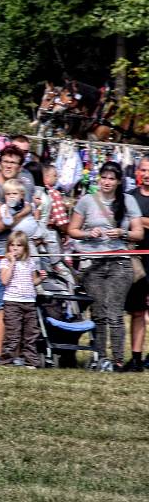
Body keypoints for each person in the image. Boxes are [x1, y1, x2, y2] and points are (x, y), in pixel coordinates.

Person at [68, 161, 144, 371]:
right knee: (99, 311)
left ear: (119, 181)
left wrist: (123, 233)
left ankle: (118, 360)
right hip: (92, 263)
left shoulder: (128, 201)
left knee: (115, 311)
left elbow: (139, 233)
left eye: (112, 178)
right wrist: (87, 233)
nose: (107, 182)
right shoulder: (86, 201)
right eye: (104, 177)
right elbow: (72, 230)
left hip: (120, 262)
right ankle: (101, 358)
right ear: (98, 178)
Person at [0, 145, 34, 365]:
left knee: (22, 305)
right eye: (5, 161)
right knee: (5, 304)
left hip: (23, 252)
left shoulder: (22, 186)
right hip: (2, 250)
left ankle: (16, 354)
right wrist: (24, 212)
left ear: (19, 166)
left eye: (13, 162)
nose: (8, 166)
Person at [0, 231, 46, 368]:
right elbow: (4, 280)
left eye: (19, 245)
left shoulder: (30, 262)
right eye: (12, 245)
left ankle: (30, 361)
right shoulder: (5, 262)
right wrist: (12, 263)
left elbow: (33, 282)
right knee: (13, 335)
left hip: (29, 302)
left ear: (25, 247)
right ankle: (6, 361)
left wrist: (41, 279)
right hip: (12, 302)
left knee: (30, 334)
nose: (15, 248)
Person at [124, 155, 149, 371]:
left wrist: (137, 220)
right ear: (137, 172)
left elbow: (132, 223)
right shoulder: (130, 197)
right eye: (143, 170)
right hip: (137, 261)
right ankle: (136, 358)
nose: (147, 174)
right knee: (138, 312)